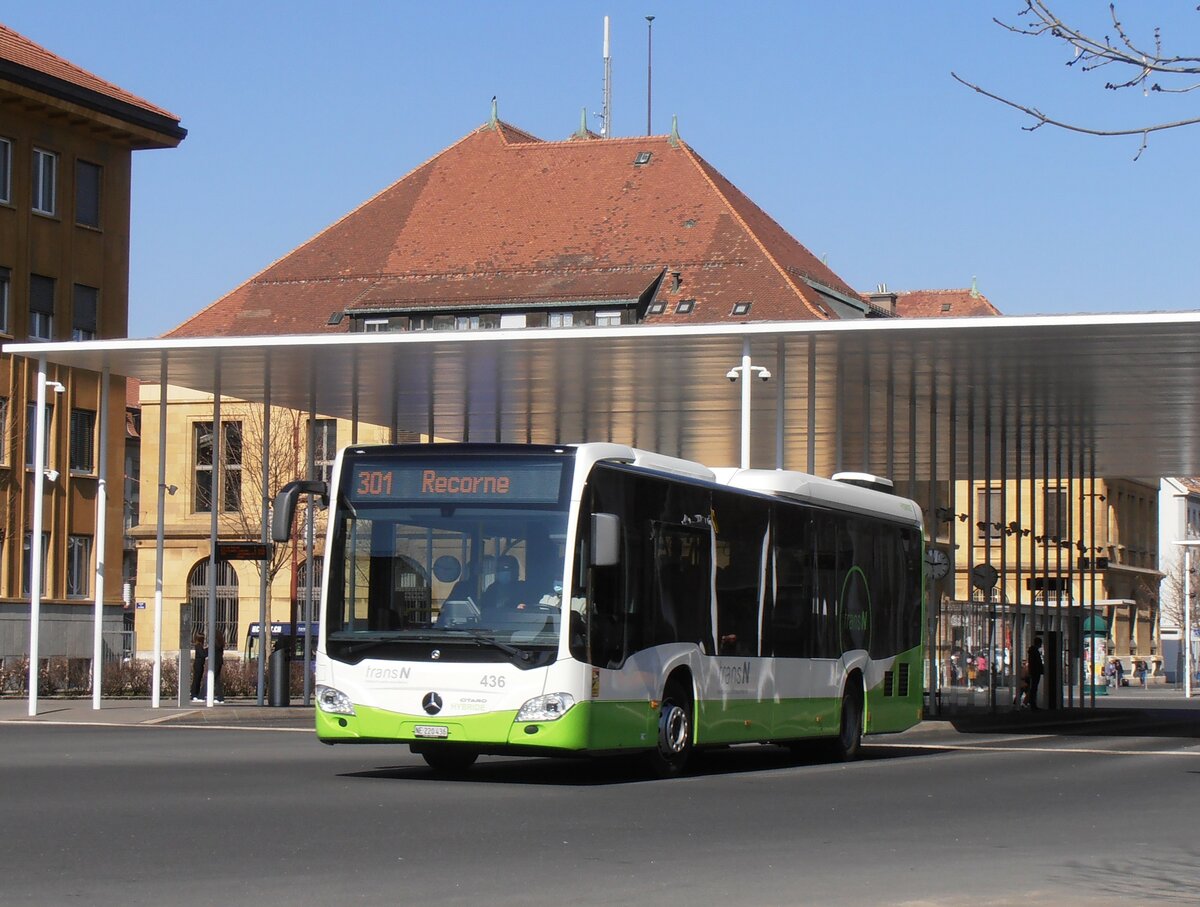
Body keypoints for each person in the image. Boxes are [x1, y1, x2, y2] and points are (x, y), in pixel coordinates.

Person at [190, 626, 225, 703]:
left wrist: (207, 650)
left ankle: (201, 696)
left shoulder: (216, 644)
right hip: (217, 662)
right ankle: (220, 697)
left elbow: (207, 652)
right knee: (216, 680)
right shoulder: (219, 644)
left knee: (209, 678)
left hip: (215, 663)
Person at [1026, 637, 1044, 710]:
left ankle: (1032, 703)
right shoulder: (1035, 652)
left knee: (1033, 688)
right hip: (1035, 672)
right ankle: (1032, 704)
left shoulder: (1032, 651)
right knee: (1034, 688)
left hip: (1034, 672)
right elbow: (1036, 663)